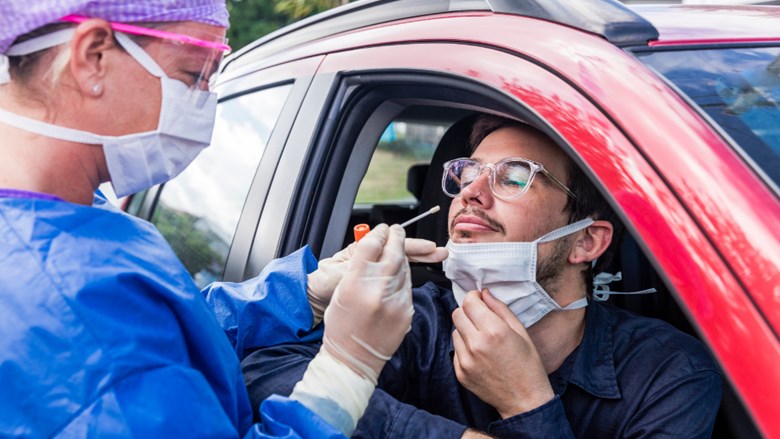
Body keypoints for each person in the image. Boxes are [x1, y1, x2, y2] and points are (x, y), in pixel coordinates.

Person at [0, 1, 446, 437]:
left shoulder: (71, 210)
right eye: (193, 75)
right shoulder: (66, 307)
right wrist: (347, 367)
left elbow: (170, 339)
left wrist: (305, 291)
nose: (204, 105)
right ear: (93, 56)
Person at [241, 114, 723, 438]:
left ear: (587, 242)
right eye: (468, 173)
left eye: (513, 177)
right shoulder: (410, 319)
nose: (471, 192)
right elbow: (260, 376)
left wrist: (528, 405)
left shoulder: (669, 373)